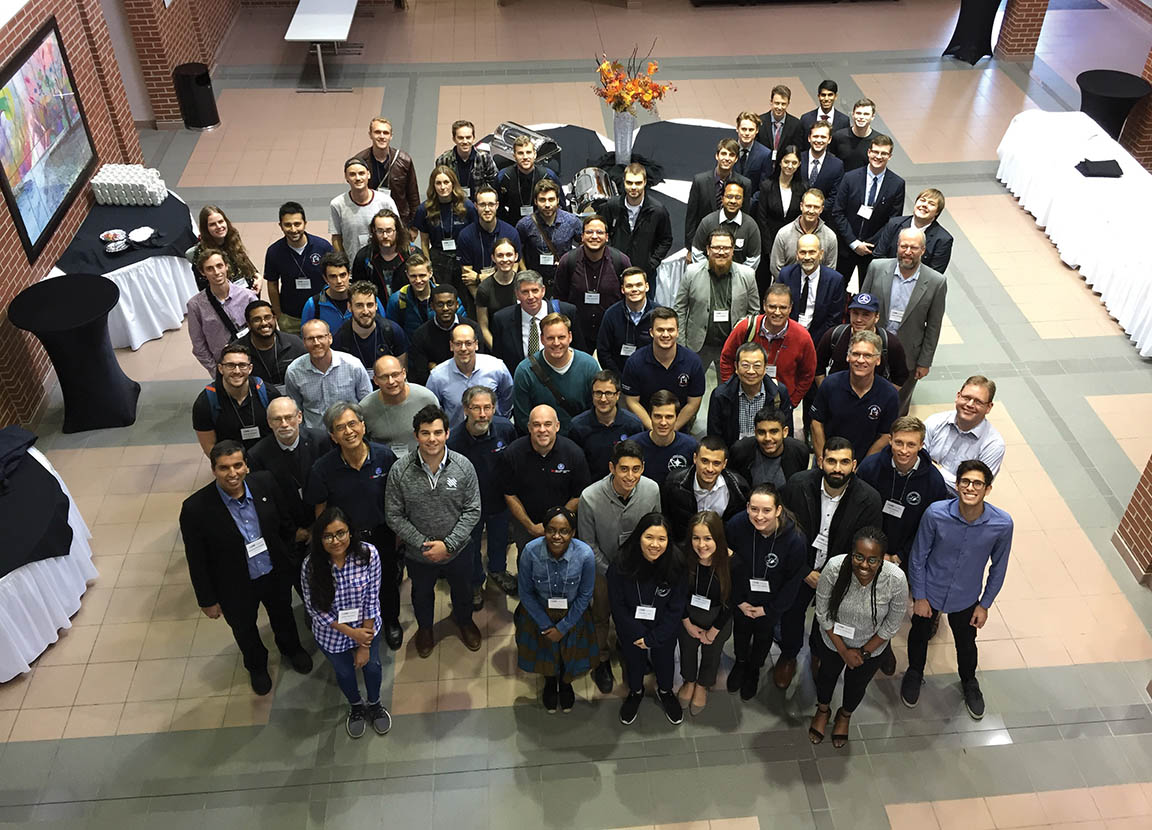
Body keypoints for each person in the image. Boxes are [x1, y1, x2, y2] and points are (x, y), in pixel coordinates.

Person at [179, 440, 313, 695]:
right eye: (224, 468)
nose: (232, 473)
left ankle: (291, 649)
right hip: (235, 584)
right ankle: (256, 666)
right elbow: (196, 558)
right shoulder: (196, 508)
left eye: (238, 465)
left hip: (273, 572)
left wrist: (290, 557)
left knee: (283, 614)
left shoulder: (265, 483)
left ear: (246, 466)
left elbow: (284, 522)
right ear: (214, 469)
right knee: (244, 628)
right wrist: (207, 600)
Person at [903, 460, 1013, 720]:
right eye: (965, 481)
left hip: (966, 597)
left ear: (987, 489)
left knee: (966, 643)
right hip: (930, 592)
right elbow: (918, 557)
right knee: (919, 635)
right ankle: (914, 673)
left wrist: (984, 604)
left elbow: (998, 567)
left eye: (977, 483)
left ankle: (969, 682)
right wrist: (919, 595)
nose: (970, 487)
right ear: (957, 484)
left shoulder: (1002, 524)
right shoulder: (935, 513)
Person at [778, 438, 882, 690]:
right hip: (800, 569)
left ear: (854, 465)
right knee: (791, 613)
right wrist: (804, 571)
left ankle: (817, 653)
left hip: (840, 575)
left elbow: (866, 548)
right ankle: (789, 654)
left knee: (827, 618)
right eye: (832, 461)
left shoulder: (869, 499)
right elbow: (782, 531)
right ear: (821, 461)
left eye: (844, 462)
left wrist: (832, 575)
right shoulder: (797, 485)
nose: (837, 468)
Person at [385, 404, 483, 657]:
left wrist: (449, 545)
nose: (432, 439)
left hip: (459, 551)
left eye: (438, 432)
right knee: (421, 595)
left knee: (463, 591)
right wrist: (425, 544)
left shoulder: (464, 466)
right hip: (420, 555)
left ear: (447, 434)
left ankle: (464, 621)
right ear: (416, 435)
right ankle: (426, 629)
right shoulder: (400, 471)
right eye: (426, 433)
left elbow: (473, 510)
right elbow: (394, 515)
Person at [303, 402, 402, 650]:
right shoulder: (322, 469)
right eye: (340, 428)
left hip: (382, 533)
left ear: (363, 426)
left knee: (388, 580)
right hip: (345, 541)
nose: (348, 431)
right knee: (352, 586)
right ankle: (355, 629)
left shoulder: (384, 456)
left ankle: (390, 621)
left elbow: (397, 497)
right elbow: (320, 510)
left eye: (352, 424)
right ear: (333, 437)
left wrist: (399, 533)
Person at [577, 439, 662, 693]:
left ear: (643, 468)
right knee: (601, 616)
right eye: (624, 469)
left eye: (636, 469)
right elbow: (587, 545)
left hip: (639, 568)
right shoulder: (590, 497)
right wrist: (613, 573)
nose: (630, 475)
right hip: (604, 570)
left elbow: (657, 529)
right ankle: (601, 659)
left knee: (636, 614)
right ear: (612, 468)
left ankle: (630, 650)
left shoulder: (652, 490)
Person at [809, 527, 907, 748]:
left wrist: (863, 652)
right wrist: (844, 651)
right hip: (833, 641)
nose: (864, 565)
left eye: (873, 560)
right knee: (826, 677)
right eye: (859, 557)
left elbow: (891, 625)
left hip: (871, 648)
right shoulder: (834, 568)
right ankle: (823, 709)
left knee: (856, 686)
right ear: (851, 553)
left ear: (882, 559)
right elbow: (823, 614)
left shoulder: (896, 579)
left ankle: (845, 715)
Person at [301, 507, 391, 738]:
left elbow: (372, 598)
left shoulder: (368, 554)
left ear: (351, 532)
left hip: (366, 628)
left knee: (372, 666)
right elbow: (314, 609)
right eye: (328, 536)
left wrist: (363, 644)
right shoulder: (311, 566)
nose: (335, 541)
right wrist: (351, 634)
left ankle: (375, 703)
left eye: (341, 533)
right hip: (332, 634)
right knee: (344, 673)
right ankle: (356, 706)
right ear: (320, 539)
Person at [725, 483, 808, 700]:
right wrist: (738, 601)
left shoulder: (795, 539)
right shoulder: (735, 526)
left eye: (766, 510)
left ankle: (754, 668)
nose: (759, 516)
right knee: (741, 632)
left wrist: (769, 609)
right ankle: (741, 663)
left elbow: (793, 582)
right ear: (747, 507)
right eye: (754, 509)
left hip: (770, 604)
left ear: (778, 510)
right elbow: (726, 564)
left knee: (763, 636)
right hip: (741, 598)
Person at [607, 512, 687, 725]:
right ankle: (635, 692)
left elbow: (677, 607)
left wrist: (655, 637)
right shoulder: (621, 564)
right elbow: (617, 605)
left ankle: (665, 691)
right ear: (638, 537)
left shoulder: (677, 563)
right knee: (633, 662)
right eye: (649, 537)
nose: (655, 545)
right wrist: (638, 634)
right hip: (631, 628)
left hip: (663, 629)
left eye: (662, 539)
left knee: (665, 660)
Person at [516, 506, 598, 712]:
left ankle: (565, 682)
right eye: (551, 530)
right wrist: (545, 624)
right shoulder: (530, 551)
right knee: (546, 651)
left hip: (573, 613)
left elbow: (585, 594)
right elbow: (525, 592)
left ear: (573, 533)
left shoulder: (585, 555)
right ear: (544, 530)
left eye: (564, 531)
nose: (557, 536)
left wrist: (563, 626)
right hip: (539, 612)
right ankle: (550, 681)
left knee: (569, 654)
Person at [447, 386, 519, 609]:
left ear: (494, 408)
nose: (482, 414)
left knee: (499, 540)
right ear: (466, 409)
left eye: (487, 407)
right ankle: (476, 581)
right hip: (468, 508)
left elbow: (514, 460)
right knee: (471, 546)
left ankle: (497, 570)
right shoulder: (454, 441)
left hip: (499, 501)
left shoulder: (505, 428)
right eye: (476, 408)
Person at [860, 227, 947, 412]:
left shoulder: (936, 282)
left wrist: (924, 362)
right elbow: (862, 307)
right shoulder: (877, 267)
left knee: (897, 405)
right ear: (897, 246)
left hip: (908, 354)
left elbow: (933, 326)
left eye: (914, 248)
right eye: (904, 246)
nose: (907, 252)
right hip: (872, 347)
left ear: (923, 250)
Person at [247, 397, 329, 580]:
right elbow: (264, 502)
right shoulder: (257, 455)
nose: (284, 424)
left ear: (299, 417)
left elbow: (332, 484)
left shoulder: (321, 441)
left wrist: (319, 524)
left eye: (288, 417)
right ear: (269, 423)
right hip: (288, 530)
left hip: (322, 521)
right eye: (277, 419)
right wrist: (293, 532)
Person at [857, 417, 950, 568]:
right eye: (899, 442)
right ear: (890, 440)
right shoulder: (869, 468)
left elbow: (929, 528)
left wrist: (899, 557)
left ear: (921, 445)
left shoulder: (934, 482)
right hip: (867, 551)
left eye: (911, 444)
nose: (904, 450)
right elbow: (858, 513)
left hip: (905, 558)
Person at [503, 404, 591, 555]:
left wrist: (554, 523)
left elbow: (579, 494)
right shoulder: (513, 453)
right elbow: (509, 494)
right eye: (536, 425)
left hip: (563, 526)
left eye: (547, 424)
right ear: (529, 427)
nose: (542, 430)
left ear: (557, 426)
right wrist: (530, 526)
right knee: (527, 562)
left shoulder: (574, 453)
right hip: (526, 525)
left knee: (563, 564)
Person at [718, 284, 817, 416]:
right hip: (743, 398)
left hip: (780, 403)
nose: (777, 312)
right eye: (772, 307)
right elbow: (726, 358)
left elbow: (808, 374)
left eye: (783, 307)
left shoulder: (802, 337)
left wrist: (791, 402)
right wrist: (730, 390)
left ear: (790, 308)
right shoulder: (745, 328)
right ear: (764, 305)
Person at [673, 228, 759, 375]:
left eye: (726, 248)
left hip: (732, 347)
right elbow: (679, 309)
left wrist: (745, 345)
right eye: (716, 247)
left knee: (727, 394)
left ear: (733, 250)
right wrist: (682, 344)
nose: (721, 252)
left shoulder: (748, 275)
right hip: (698, 346)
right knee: (690, 391)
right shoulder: (692, 272)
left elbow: (754, 314)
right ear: (707, 249)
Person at [809, 330, 899, 461]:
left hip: (865, 464)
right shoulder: (830, 385)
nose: (861, 360)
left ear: (878, 360)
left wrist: (863, 468)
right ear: (848, 356)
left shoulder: (889, 394)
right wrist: (824, 460)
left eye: (868, 355)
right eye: (856, 354)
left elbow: (885, 436)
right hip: (829, 458)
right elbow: (816, 423)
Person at [829, 133, 906, 284]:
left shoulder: (897, 184)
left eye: (884, 153)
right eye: (875, 152)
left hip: (873, 252)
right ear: (869, 152)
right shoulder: (850, 178)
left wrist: (870, 245)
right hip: (846, 246)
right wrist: (854, 243)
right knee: (837, 290)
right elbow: (838, 212)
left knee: (868, 295)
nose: (878, 156)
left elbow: (893, 221)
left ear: (890, 156)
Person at [677, 510, 734, 715]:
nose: (702, 545)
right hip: (688, 617)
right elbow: (678, 593)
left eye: (708, 538)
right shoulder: (682, 556)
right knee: (687, 650)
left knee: (712, 653)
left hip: (718, 619)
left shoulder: (732, 562)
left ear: (718, 538)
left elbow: (731, 602)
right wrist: (686, 622)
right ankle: (689, 680)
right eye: (696, 538)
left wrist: (713, 630)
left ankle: (702, 684)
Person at [512, 312, 599, 435]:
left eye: (561, 337)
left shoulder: (589, 366)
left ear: (570, 337)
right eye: (550, 338)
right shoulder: (525, 371)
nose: (556, 343)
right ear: (542, 339)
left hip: (581, 439)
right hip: (541, 440)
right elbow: (523, 418)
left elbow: (596, 409)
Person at [621, 307, 705, 431]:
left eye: (670, 330)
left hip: (679, 427)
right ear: (651, 332)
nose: (665, 334)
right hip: (645, 427)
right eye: (660, 330)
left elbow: (693, 402)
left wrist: (672, 429)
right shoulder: (635, 362)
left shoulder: (693, 362)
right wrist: (654, 429)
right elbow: (632, 401)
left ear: (677, 332)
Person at [553, 214, 631, 347]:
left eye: (599, 232)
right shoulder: (568, 261)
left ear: (606, 237)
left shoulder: (621, 261)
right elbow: (559, 299)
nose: (594, 236)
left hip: (611, 333)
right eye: (589, 232)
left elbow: (629, 297)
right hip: (577, 334)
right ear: (582, 236)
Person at [489, 270, 584, 375]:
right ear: (517, 294)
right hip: (520, 381)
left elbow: (579, 351)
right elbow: (498, 361)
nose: (531, 297)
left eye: (535, 290)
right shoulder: (502, 319)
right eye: (525, 292)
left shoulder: (567, 311)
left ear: (543, 291)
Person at [192, 343, 281, 455]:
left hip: (267, 459)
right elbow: (209, 447)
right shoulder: (205, 403)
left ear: (250, 368)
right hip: (233, 465)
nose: (237, 371)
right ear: (220, 368)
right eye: (230, 365)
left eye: (242, 365)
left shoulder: (268, 393)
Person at [285, 320, 373, 429]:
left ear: (330, 338)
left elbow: (367, 404)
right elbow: (295, 410)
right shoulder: (294, 371)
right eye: (311, 339)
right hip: (315, 437)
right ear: (304, 342)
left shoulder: (353, 365)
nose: (316, 343)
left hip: (349, 433)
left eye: (321, 337)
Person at [923, 376, 1006, 491]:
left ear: (988, 407)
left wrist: (932, 469)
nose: (970, 405)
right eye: (966, 398)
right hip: (921, 486)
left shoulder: (993, 445)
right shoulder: (934, 422)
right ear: (958, 396)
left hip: (957, 501)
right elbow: (915, 461)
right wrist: (960, 480)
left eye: (978, 402)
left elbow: (976, 488)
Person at [410, 166, 478, 306]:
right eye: (438, 183)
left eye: (446, 182)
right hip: (438, 259)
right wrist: (428, 268)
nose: (442, 187)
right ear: (433, 185)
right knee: (443, 301)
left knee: (465, 301)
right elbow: (424, 242)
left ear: (453, 183)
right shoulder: (425, 209)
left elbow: (475, 237)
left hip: (463, 259)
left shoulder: (467, 206)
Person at [661, 437, 751, 540]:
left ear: (724, 464)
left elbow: (737, 528)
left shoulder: (739, 488)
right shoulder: (674, 484)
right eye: (704, 461)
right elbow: (667, 522)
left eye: (716, 463)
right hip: (683, 546)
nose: (710, 469)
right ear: (695, 458)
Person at [426, 323, 513, 428]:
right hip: (455, 438)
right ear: (451, 346)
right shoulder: (437, 376)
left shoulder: (497, 368)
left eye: (468, 343)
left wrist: (500, 418)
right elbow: (432, 409)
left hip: (492, 433)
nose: (463, 348)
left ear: (476, 344)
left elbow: (508, 396)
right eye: (458, 343)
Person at [599, 163, 673, 286]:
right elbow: (601, 232)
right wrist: (610, 258)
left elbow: (665, 240)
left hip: (645, 274)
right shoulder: (611, 206)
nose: (633, 187)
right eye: (629, 182)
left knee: (644, 305)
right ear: (623, 182)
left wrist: (651, 263)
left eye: (638, 183)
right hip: (613, 271)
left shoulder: (658, 211)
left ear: (645, 182)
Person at [263, 201, 332, 334]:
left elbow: (335, 276)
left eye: (297, 224)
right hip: (291, 317)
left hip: (322, 312)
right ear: (280, 226)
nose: (293, 230)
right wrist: (278, 314)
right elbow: (272, 284)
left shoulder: (323, 247)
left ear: (305, 223)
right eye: (287, 225)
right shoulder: (274, 252)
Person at [814, 292, 909, 388]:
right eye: (855, 313)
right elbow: (818, 366)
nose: (859, 319)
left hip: (873, 399)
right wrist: (825, 392)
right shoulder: (835, 335)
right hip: (837, 396)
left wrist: (883, 399)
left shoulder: (890, 343)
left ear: (876, 317)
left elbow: (900, 377)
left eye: (866, 315)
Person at [186, 250, 258, 376]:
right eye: (210, 269)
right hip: (225, 367)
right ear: (203, 273)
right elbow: (198, 346)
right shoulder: (195, 306)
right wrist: (216, 371)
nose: (216, 272)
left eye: (219, 266)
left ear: (226, 266)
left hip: (253, 358)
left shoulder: (247, 296)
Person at [707, 341, 791, 447]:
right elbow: (715, 439)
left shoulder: (779, 393)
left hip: (768, 451)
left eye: (757, 366)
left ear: (765, 368)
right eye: (745, 365)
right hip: (733, 454)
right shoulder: (720, 395)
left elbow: (787, 435)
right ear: (736, 367)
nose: (751, 371)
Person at [568, 370, 644, 478]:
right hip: (590, 489)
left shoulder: (633, 425)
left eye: (608, 393)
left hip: (625, 486)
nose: (603, 399)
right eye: (598, 393)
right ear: (592, 395)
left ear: (617, 395)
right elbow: (575, 466)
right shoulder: (578, 427)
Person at [359, 354, 440, 455]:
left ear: (404, 373)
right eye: (384, 377)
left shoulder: (427, 399)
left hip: (421, 462)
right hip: (384, 466)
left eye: (395, 375)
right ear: (375, 380)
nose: (391, 381)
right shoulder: (365, 408)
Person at [776, 234, 846, 350]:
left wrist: (810, 342)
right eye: (802, 252)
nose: (807, 257)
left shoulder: (835, 280)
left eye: (812, 252)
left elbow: (834, 319)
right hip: (786, 338)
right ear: (797, 255)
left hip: (819, 342)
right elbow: (778, 308)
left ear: (821, 254)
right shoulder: (786, 275)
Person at [753, 145, 805, 291]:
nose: (790, 166)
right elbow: (761, 219)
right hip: (766, 246)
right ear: (780, 162)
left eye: (794, 163)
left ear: (799, 164)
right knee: (762, 286)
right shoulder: (767, 186)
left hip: (792, 247)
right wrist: (770, 250)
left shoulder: (802, 188)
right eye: (786, 161)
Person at [685, 139, 751, 249]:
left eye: (731, 155)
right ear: (717, 156)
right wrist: (690, 248)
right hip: (703, 242)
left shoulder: (744, 184)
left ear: (736, 159)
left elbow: (744, 217)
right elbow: (691, 218)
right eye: (724, 154)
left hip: (729, 246)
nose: (727, 158)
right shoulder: (700, 181)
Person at [516, 178, 582, 288]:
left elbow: (584, 243)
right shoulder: (524, 225)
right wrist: (525, 273)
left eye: (551, 199)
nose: (547, 204)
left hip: (565, 279)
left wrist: (571, 261)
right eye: (542, 200)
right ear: (536, 201)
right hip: (535, 282)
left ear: (557, 200)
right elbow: (518, 251)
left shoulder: (572, 221)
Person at [353, 116, 420, 225]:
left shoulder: (404, 160)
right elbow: (355, 193)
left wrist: (414, 226)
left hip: (399, 221)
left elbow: (413, 195)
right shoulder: (360, 162)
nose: (382, 136)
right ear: (370, 134)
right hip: (370, 221)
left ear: (391, 136)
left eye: (386, 133)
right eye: (377, 132)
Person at [872, 188, 954, 273]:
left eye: (931, 204)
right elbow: (879, 256)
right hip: (887, 276)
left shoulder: (943, 239)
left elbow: (935, 273)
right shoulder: (894, 224)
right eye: (922, 200)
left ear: (937, 212)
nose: (924, 205)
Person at [302, 252, 387, 333]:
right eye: (333, 276)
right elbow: (306, 336)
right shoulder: (314, 304)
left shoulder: (369, 298)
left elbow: (384, 328)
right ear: (325, 278)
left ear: (349, 274)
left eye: (342, 275)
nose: (339, 281)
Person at [458, 187, 521, 295]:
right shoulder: (465, 236)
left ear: (497, 205)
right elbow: (467, 276)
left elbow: (513, 269)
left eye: (491, 204)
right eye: (482, 205)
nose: (487, 209)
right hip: (477, 294)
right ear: (476, 206)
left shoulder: (511, 233)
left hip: (506, 293)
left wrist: (480, 277)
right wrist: (480, 302)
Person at [332, 281, 409, 371]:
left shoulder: (393, 332)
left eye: (370, 305)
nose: (365, 311)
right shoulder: (340, 339)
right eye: (359, 305)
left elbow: (401, 372)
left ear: (376, 306)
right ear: (349, 307)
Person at [330, 157, 400, 255]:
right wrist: (343, 263)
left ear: (369, 174)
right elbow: (336, 237)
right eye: (352, 174)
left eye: (361, 173)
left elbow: (398, 231)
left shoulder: (385, 201)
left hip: (382, 261)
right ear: (346, 177)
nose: (358, 178)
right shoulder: (337, 204)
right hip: (353, 264)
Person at [629, 390, 698, 487]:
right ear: (650, 416)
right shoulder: (633, 445)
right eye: (658, 416)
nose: (663, 422)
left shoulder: (691, 446)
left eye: (669, 417)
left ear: (676, 418)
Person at [729, 406, 810, 487]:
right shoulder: (740, 451)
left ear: (785, 432)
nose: (767, 438)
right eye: (761, 432)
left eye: (774, 432)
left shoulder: (799, 451)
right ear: (755, 433)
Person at [236, 300, 307, 393]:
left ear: (275, 318)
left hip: (292, 400)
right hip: (255, 401)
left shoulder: (295, 344)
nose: (264, 323)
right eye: (257, 320)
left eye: (268, 317)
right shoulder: (236, 351)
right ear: (248, 324)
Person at [406, 284, 471, 385]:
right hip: (435, 387)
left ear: (457, 305)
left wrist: (435, 367)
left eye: (450, 304)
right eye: (440, 304)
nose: (445, 308)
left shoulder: (471, 329)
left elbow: (474, 364)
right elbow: (421, 374)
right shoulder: (421, 335)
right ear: (432, 306)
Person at [188, 204, 261, 292]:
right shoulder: (201, 253)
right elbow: (205, 288)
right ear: (206, 229)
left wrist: (257, 275)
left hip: (248, 291)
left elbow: (243, 258)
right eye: (212, 224)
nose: (219, 226)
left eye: (221, 221)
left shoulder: (232, 236)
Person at [691, 182, 761, 273]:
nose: (733, 201)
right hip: (709, 276)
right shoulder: (707, 222)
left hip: (738, 280)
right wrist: (709, 272)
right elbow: (697, 252)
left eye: (738, 197)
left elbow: (753, 259)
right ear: (722, 198)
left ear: (743, 201)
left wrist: (736, 276)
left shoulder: (751, 226)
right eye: (729, 196)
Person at [769, 187, 838, 278]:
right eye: (808, 206)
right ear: (801, 206)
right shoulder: (784, 234)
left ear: (821, 209)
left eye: (816, 207)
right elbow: (776, 268)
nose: (811, 211)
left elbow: (830, 270)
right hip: (786, 288)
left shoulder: (830, 237)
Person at [351, 208, 421, 299]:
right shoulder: (364, 257)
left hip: (408, 309)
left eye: (389, 231)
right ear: (373, 231)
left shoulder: (413, 254)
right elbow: (356, 291)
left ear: (397, 230)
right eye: (380, 231)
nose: (385, 236)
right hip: (376, 310)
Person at [597, 267, 655, 375]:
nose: (634, 289)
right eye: (629, 286)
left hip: (652, 377)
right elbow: (603, 351)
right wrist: (618, 378)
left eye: (639, 285)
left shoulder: (658, 315)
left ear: (647, 287)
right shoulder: (611, 314)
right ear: (622, 289)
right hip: (620, 378)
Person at [496, 135, 565, 225]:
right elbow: (496, 207)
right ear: (514, 156)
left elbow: (561, 207)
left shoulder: (548, 175)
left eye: (528, 152)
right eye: (520, 153)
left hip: (544, 227)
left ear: (535, 154)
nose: (525, 157)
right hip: (513, 227)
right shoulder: (503, 177)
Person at [474, 237, 522, 349]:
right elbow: (483, 326)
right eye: (500, 255)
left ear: (516, 256)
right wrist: (497, 351)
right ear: (493, 258)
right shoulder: (484, 288)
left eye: (509, 255)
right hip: (496, 342)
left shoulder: (523, 283)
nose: (505, 259)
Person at [434, 119, 499, 197]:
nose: (465, 141)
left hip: (478, 204)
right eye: (460, 138)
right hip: (453, 203)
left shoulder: (484, 158)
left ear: (473, 138)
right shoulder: (443, 160)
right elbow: (439, 185)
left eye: (468, 137)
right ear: (454, 139)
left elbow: (494, 183)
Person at [385, 254, 440, 338]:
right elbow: (391, 332)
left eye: (422, 275)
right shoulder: (397, 300)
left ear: (430, 273)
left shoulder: (444, 296)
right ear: (407, 275)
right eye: (413, 276)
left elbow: (459, 326)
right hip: (410, 349)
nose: (418, 280)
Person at [798, 123, 844, 218]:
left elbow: (834, 196)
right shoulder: (798, 159)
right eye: (815, 136)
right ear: (809, 138)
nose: (819, 140)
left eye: (823, 137)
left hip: (823, 218)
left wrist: (815, 210)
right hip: (796, 215)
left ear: (829, 139)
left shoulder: (837, 165)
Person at [734, 111, 773, 209]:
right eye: (743, 129)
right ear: (737, 129)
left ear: (757, 131)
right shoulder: (728, 150)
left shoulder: (765, 154)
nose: (747, 133)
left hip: (751, 208)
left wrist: (749, 203)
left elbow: (764, 186)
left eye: (751, 130)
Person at [757, 84, 805, 162]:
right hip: (762, 165)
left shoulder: (795, 124)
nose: (779, 107)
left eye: (783, 104)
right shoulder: (760, 121)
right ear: (771, 102)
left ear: (788, 103)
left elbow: (798, 149)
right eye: (777, 103)